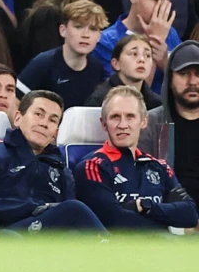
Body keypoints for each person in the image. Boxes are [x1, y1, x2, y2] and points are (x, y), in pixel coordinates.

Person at [0, 90, 108, 232]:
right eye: (38, 114)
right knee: (75, 209)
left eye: (52, 120)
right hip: (4, 231)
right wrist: (36, 208)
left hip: (49, 234)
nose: (44, 123)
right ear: (18, 118)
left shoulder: (60, 167)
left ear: (56, 133)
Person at [75, 85, 199, 231]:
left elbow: (189, 214)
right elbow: (114, 220)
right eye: (115, 117)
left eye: (130, 116)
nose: (123, 125)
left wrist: (146, 207)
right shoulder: (92, 166)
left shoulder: (160, 167)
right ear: (104, 123)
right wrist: (165, 218)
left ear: (143, 122)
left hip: (163, 248)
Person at [92, 0, 181, 79]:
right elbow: (129, 94)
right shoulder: (106, 42)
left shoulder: (170, 34)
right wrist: (151, 46)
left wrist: (165, 64)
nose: (162, 7)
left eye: (167, 0)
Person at [18, 0, 109, 108]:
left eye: (93, 29)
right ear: (63, 30)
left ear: (99, 36)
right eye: (78, 27)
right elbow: (15, 101)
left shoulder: (97, 69)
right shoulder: (43, 63)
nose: (86, 35)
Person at [142, 42, 199, 198]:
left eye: (198, 73)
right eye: (184, 73)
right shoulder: (150, 123)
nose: (193, 82)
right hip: (168, 213)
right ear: (170, 78)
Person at [87, 33, 163, 110]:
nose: (142, 59)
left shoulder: (158, 104)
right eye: (134, 54)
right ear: (116, 63)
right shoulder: (99, 101)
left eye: (147, 55)